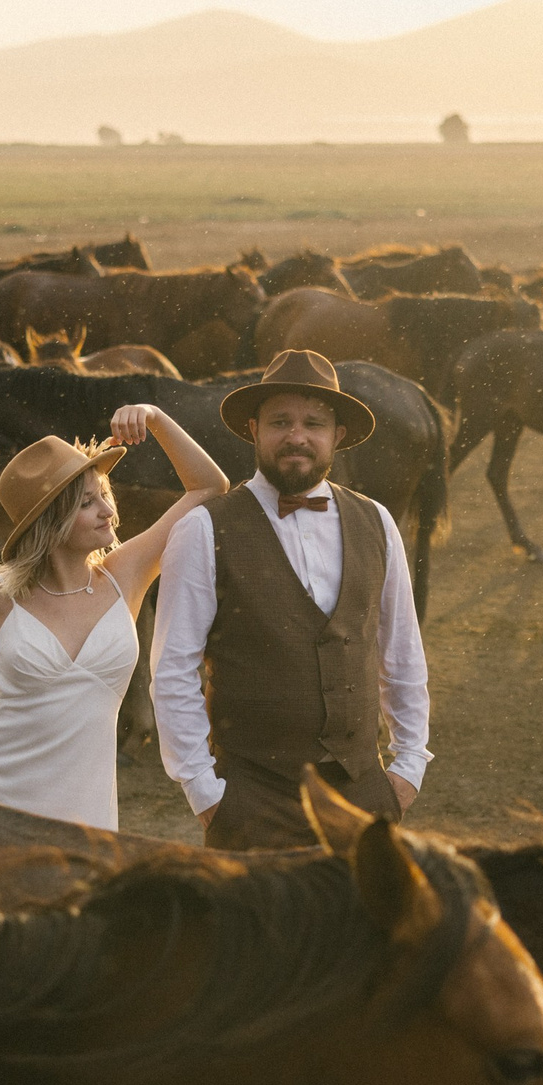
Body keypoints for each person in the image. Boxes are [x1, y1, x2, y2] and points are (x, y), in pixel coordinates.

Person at [152, 349, 429, 849]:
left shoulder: (378, 522)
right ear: (254, 429)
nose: (297, 436)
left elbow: (402, 651)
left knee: (359, 927)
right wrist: (207, 795)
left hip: (365, 795)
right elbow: (173, 670)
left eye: (313, 423)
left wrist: (408, 767)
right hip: (252, 798)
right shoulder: (203, 529)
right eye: (280, 422)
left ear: (337, 436)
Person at [0, 404, 229, 829]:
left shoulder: (123, 576)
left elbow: (209, 487)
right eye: (87, 503)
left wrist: (154, 417)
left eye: (104, 496)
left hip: (85, 812)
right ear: (50, 521)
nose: (108, 511)